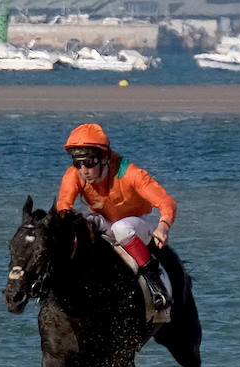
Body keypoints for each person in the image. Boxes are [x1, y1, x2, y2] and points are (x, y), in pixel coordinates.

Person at [55, 123, 176, 311]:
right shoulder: (75, 175)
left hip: (139, 222)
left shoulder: (131, 173)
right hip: (106, 222)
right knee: (84, 224)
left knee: (121, 228)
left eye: (89, 162)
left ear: (104, 157)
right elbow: (64, 206)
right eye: (78, 163)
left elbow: (166, 202)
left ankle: (154, 282)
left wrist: (163, 226)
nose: (83, 170)